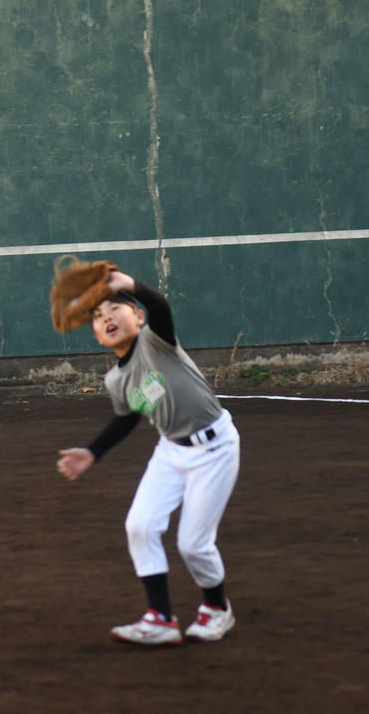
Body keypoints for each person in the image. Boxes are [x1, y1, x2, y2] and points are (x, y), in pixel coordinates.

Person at [56, 270, 241, 646]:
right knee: (139, 526)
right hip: (170, 451)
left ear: (137, 318)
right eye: (96, 317)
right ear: (95, 335)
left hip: (215, 448)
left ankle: (217, 608)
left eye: (115, 309)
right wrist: (92, 452)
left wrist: (132, 287)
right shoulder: (115, 380)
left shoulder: (156, 342)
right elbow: (126, 419)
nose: (105, 317)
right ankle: (159, 617)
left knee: (193, 544)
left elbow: (159, 305)